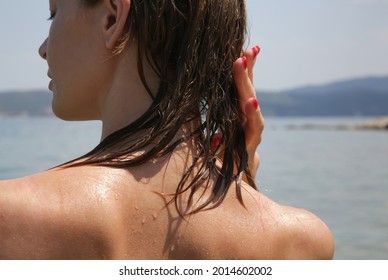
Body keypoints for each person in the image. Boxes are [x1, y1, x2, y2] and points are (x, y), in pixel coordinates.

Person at [0, 0, 334, 259]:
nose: (43, 48)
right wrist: (245, 192)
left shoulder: (10, 217)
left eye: (53, 13)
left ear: (112, 18)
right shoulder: (303, 242)